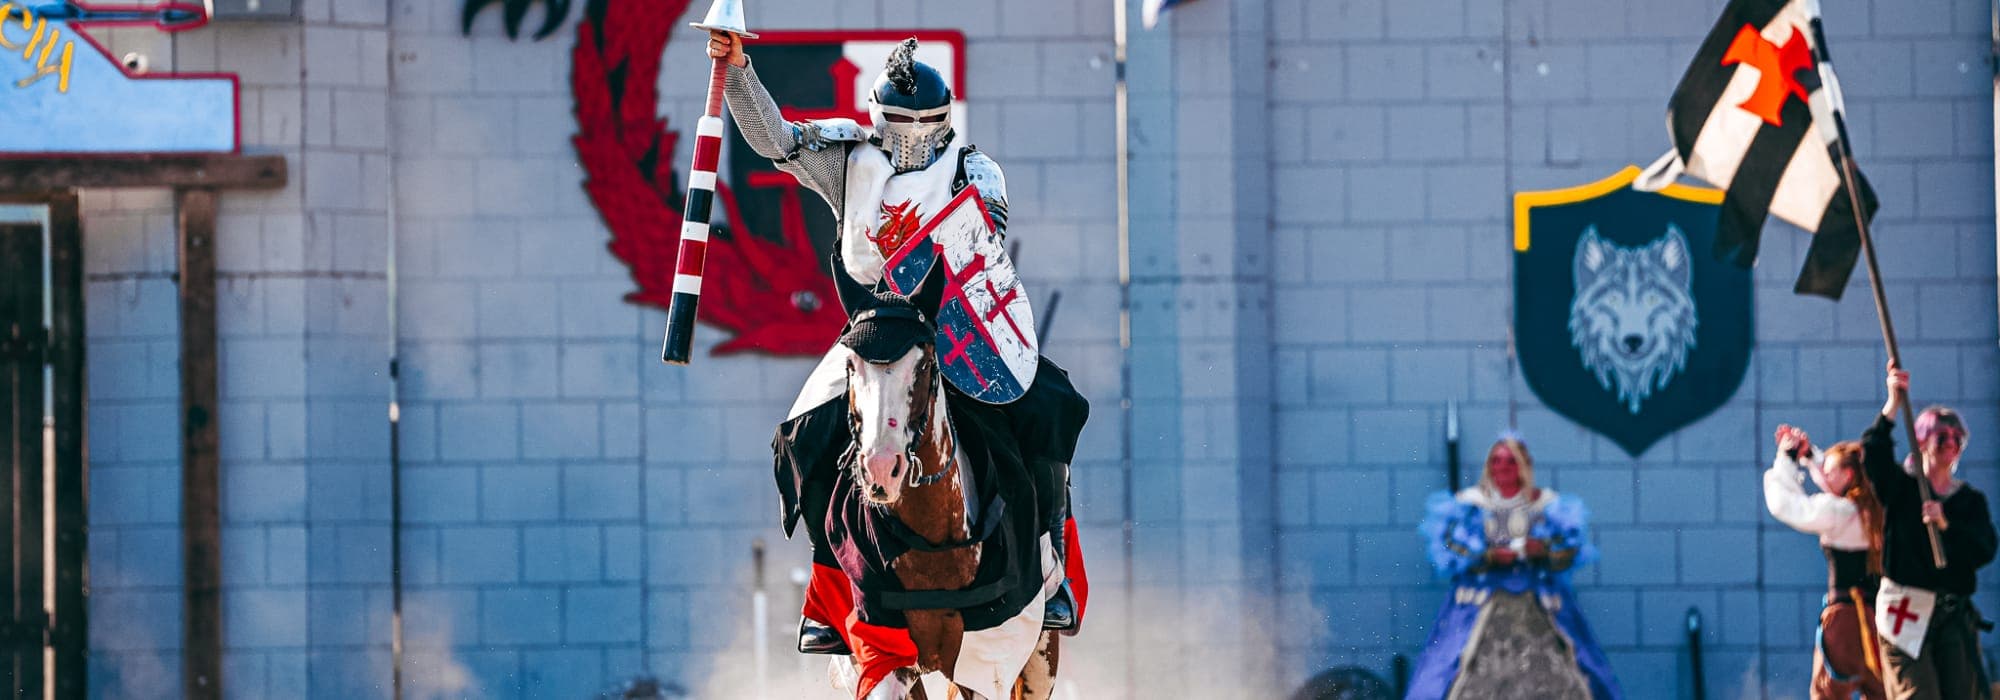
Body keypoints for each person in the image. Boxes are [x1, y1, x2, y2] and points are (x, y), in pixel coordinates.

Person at [705, 31, 1089, 655]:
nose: (911, 130)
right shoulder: (848, 158)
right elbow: (773, 138)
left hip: (950, 331)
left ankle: (1052, 573)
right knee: (806, 435)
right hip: (869, 328)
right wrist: (740, 70)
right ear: (878, 115)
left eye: (926, 119)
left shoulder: (974, 172)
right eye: (899, 119)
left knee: (1051, 409)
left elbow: (976, 255)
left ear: (946, 116)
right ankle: (827, 601)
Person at [1406, 436, 1622, 700]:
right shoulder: (1471, 504)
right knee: (1452, 667)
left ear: (1524, 465)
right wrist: (1488, 556)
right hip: (1479, 603)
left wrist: (1541, 550)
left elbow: (1570, 548)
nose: (1503, 467)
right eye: (1496, 461)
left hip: (1539, 604)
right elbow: (1449, 546)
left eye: (1510, 461)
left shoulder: (1545, 505)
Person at [1865, 364, 1996, 700]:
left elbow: (1984, 549)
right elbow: (1875, 454)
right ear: (1922, 441)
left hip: (1951, 614)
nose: (1950, 444)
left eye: (1957, 438)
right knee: (1917, 695)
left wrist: (1946, 525)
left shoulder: (1968, 501)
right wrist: (1893, 403)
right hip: (1905, 611)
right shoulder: (1903, 488)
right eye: (1942, 436)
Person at [1764, 425, 1886, 699]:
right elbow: (1835, 480)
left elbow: (1787, 505)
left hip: (1845, 620)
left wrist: (1786, 459)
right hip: (1881, 615)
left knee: (1828, 693)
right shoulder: (1877, 509)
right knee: (1882, 692)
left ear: (1849, 475)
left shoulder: (1839, 511)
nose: (1824, 475)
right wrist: (1810, 457)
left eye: (1831, 471)